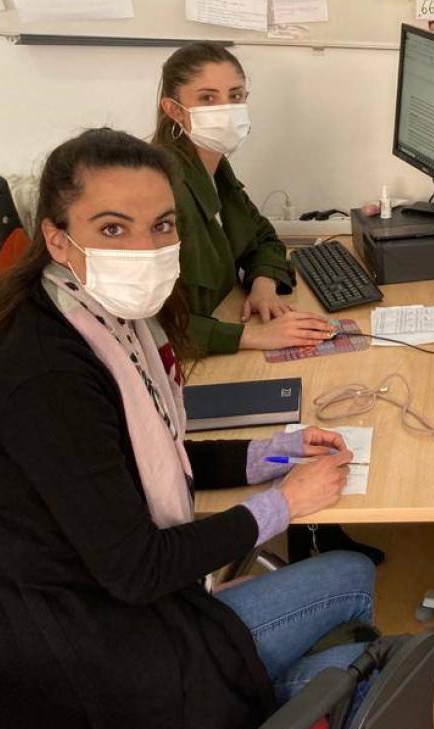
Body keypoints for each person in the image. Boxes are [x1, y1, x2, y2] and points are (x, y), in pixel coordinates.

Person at [0, 129, 376, 729]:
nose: (145, 249)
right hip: (69, 673)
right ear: (57, 240)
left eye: (162, 226)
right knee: (355, 635)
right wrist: (281, 505)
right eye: (113, 229)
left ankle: (264, 707)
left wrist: (271, 453)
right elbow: (139, 568)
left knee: (345, 629)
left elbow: (144, 456)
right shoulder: (46, 375)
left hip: (77, 614)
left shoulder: (96, 319)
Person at [153, 42, 382, 564]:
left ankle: (316, 529)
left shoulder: (212, 167)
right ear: (173, 110)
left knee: (314, 385)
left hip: (221, 323)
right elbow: (156, 323)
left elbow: (260, 235)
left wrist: (261, 282)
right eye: (207, 97)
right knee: (304, 397)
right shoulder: (164, 185)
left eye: (235, 95)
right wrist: (251, 336)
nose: (226, 109)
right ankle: (307, 529)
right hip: (188, 359)